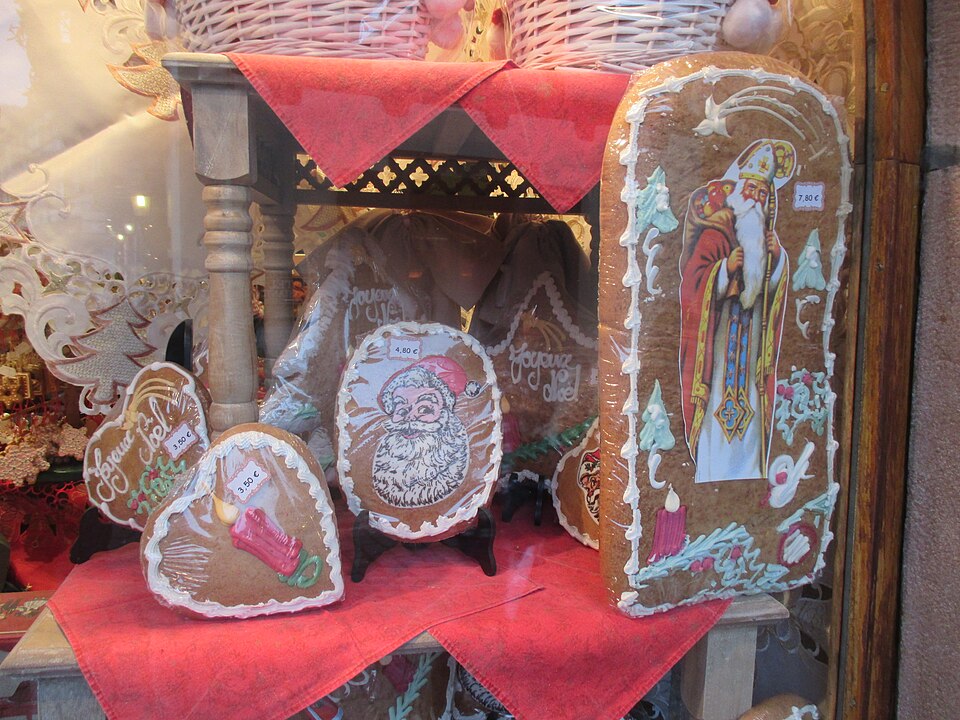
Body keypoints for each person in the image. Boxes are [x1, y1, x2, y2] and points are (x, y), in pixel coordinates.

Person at [679, 140, 796, 482]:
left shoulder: (763, 239)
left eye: (763, 194)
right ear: (739, 190)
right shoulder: (716, 232)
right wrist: (723, 270)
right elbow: (692, 283)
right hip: (717, 358)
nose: (757, 199)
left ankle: (747, 476)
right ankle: (712, 472)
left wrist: (777, 262)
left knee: (751, 425)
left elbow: (769, 290)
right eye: (752, 190)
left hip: (750, 363)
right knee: (717, 419)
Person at [372, 356, 478, 507]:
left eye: (424, 409)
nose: (410, 419)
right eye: (401, 409)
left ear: (445, 415)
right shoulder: (386, 461)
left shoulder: (453, 461)